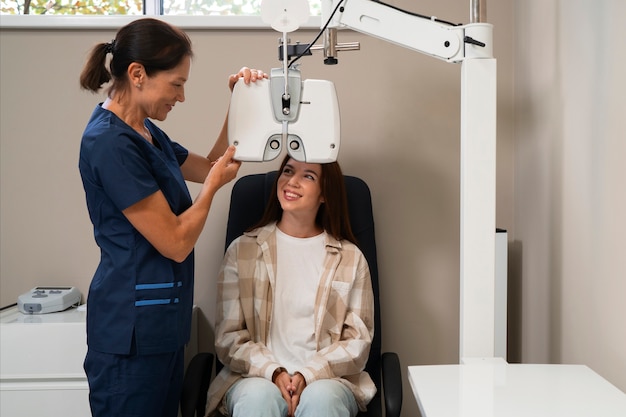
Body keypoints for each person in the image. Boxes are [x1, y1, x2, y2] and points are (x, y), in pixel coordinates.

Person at [78, 17, 266, 417]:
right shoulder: (110, 142)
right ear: (138, 74)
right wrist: (212, 188)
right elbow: (176, 242)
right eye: (176, 84)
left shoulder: (145, 132)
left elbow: (215, 163)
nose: (181, 97)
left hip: (160, 329)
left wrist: (240, 101)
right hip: (129, 337)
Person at [206, 154, 377, 417]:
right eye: (287, 171)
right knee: (258, 399)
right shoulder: (242, 251)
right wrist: (274, 373)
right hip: (255, 378)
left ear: (324, 194)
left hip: (327, 380)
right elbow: (228, 338)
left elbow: (357, 343)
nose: (291, 181)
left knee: (322, 400)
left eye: (308, 176)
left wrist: (308, 375)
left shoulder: (351, 259)